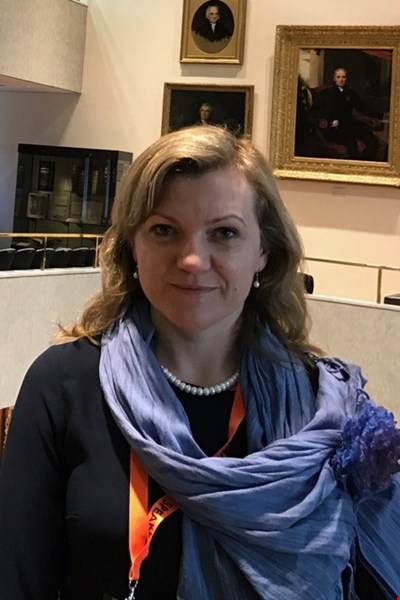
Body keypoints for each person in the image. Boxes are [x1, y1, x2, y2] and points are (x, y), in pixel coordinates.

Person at [0, 126, 399, 600]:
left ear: (264, 252)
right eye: (164, 230)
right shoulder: (63, 385)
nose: (192, 259)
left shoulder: (325, 409)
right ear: (132, 246)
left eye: (224, 233)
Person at [310, 67, 384, 160]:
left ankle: (364, 163)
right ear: (334, 79)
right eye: (338, 77)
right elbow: (315, 111)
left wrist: (380, 116)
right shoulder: (326, 93)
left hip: (350, 124)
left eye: (343, 77)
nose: (341, 79)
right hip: (334, 127)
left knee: (372, 141)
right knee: (351, 145)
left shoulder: (349, 93)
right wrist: (324, 120)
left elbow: (362, 107)